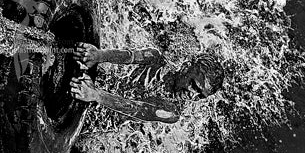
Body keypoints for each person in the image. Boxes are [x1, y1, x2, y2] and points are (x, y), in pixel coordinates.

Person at [70, 43, 223, 125]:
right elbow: (129, 57)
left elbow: (136, 110)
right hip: (96, 91)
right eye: (194, 85)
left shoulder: (172, 112)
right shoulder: (155, 58)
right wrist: (99, 55)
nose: (192, 94)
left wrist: (96, 95)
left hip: (100, 115)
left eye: (199, 96)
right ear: (186, 66)